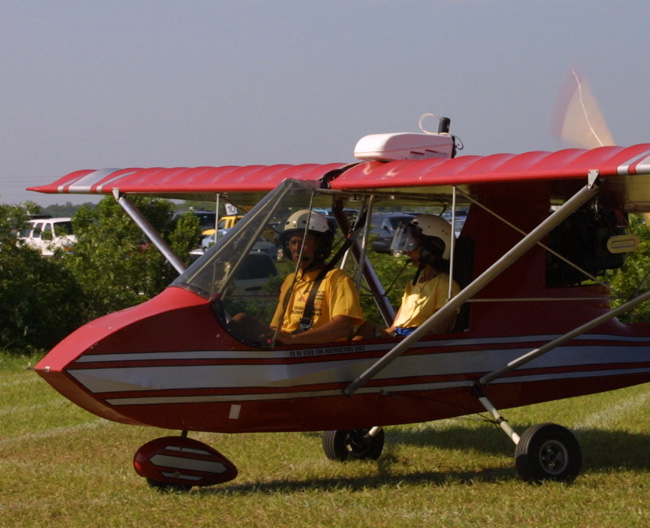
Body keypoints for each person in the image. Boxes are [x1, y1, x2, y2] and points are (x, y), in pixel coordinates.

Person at [231, 210, 365, 345]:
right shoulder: (291, 280)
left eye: (304, 242)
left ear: (321, 245)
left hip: (315, 349)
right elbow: (275, 326)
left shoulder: (336, 279)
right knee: (241, 320)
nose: (297, 249)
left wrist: (294, 340)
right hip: (288, 347)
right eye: (293, 242)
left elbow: (342, 327)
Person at [357, 214, 461, 338]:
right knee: (363, 329)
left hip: (415, 343)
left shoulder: (446, 286)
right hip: (399, 338)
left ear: (433, 248)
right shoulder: (413, 284)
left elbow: (438, 334)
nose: (407, 251)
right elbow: (394, 327)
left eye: (412, 245)